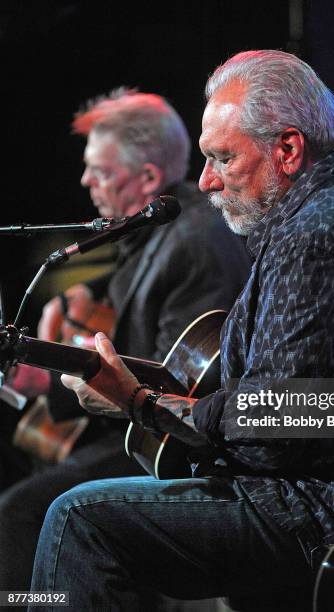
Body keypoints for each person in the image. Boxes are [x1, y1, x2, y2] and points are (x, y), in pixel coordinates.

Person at [29, 51, 334, 612]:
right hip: (331, 495)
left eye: (222, 158)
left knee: (79, 519)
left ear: (287, 150)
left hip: (324, 511)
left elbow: (275, 427)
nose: (205, 180)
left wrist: (139, 403)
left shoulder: (317, 234)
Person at [0, 88, 250, 600]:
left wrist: (51, 375)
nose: (85, 182)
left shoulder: (193, 244)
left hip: (169, 443)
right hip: (136, 427)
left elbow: (175, 379)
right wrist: (73, 315)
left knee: (20, 509)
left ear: (149, 179)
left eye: (101, 171)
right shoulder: (154, 236)